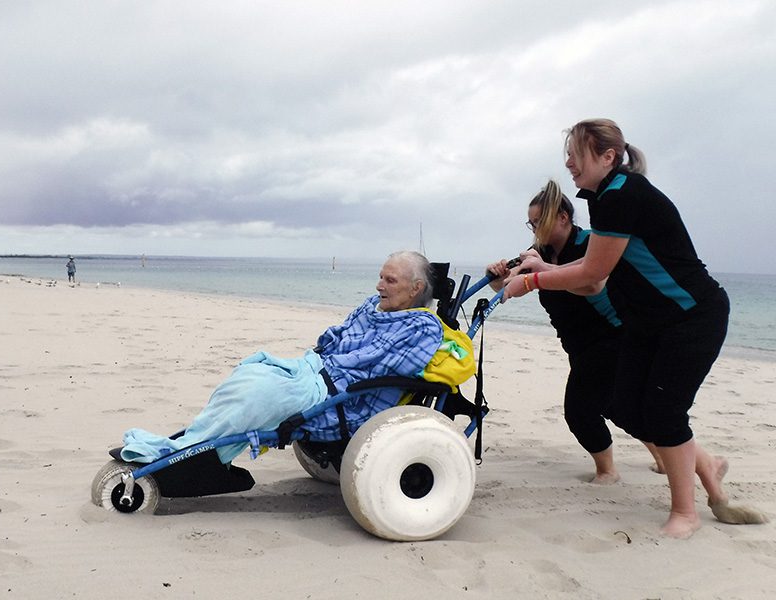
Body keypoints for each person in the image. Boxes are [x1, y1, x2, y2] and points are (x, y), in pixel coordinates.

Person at [503, 118, 767, 537]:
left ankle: (686, 512)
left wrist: (533, 280)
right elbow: (595, 269)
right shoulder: (605, 197)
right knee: (624, 405)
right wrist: (539, 269)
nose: (569, 162)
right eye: (567, 154)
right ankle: (707, 463)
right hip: (648, 324)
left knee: (663, 412)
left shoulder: (622, 195)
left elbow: (592, 276)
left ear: (607, 157)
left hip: (692, 316)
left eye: (576, 153)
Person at [120, 250, 475, 464]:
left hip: (337, 396)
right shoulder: (374, 305)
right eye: (380, 277)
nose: (379, 286)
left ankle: (185, 455)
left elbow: (375, 367)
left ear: (415, 289)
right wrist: (319, 359)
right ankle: (187, 444)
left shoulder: (422, 328)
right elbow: (336, 337)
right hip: (315, 370)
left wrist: (327, 364)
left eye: (390, 280)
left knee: (257, 398)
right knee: (252, 372)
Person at [486, 180, 663, 484]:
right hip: (577, 341)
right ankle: (663, 455)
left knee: (580, 411)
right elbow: (506, 289)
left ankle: (607, 471)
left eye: (539, 221)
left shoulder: (591, 245)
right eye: (531, 223)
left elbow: (593, 284)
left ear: (563, 217)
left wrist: (538, 271)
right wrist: (497, 275)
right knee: (615, 404)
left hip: (613, 335)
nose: (534, 228)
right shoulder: (538, 252)